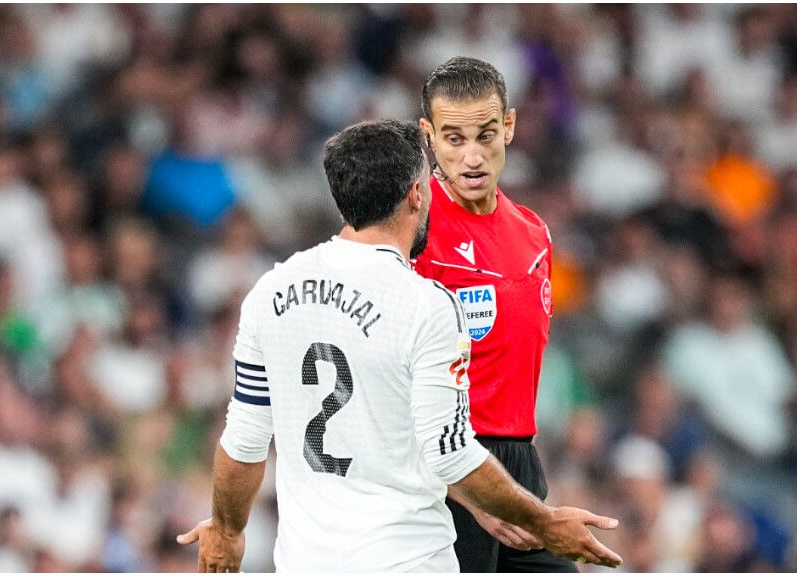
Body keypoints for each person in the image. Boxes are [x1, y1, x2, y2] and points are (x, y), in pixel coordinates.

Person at [176, 120, 623, 572]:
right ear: (416, 194)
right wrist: (544, 522)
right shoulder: (425, 305)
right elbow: (450, 453)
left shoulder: (270, 292)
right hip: (405, 560)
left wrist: (228, 531)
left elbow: (244, 441)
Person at [413, 56, 578, 572]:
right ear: (429, 137)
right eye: (454, 138)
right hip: (445, 471)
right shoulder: (412, 232)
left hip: (518, 462)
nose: (472, 156)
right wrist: (462, 487)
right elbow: (385, 377)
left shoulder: (533, 233)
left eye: (485, 135)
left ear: (508, 126)